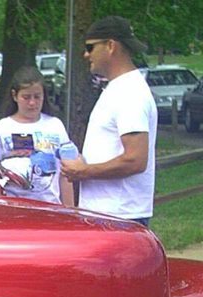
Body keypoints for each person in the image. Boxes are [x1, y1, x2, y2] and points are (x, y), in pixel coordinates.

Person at [60, 16, 157, 226]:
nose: (86, 55)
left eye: (90, 47)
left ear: (111, 46)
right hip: (107, 213)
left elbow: (136, 160)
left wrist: (83, 172)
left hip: (120, 215)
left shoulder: (130, 93)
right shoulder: (118, 88)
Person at [0, 66, 74, 206]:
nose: (32, 103)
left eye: (37, 96)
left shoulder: (55, 126)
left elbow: (66, 173)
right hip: (15, 209)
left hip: (51, 207)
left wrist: (70, 209)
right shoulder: (0, 130)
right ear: (15, 96)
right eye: (26, 97)